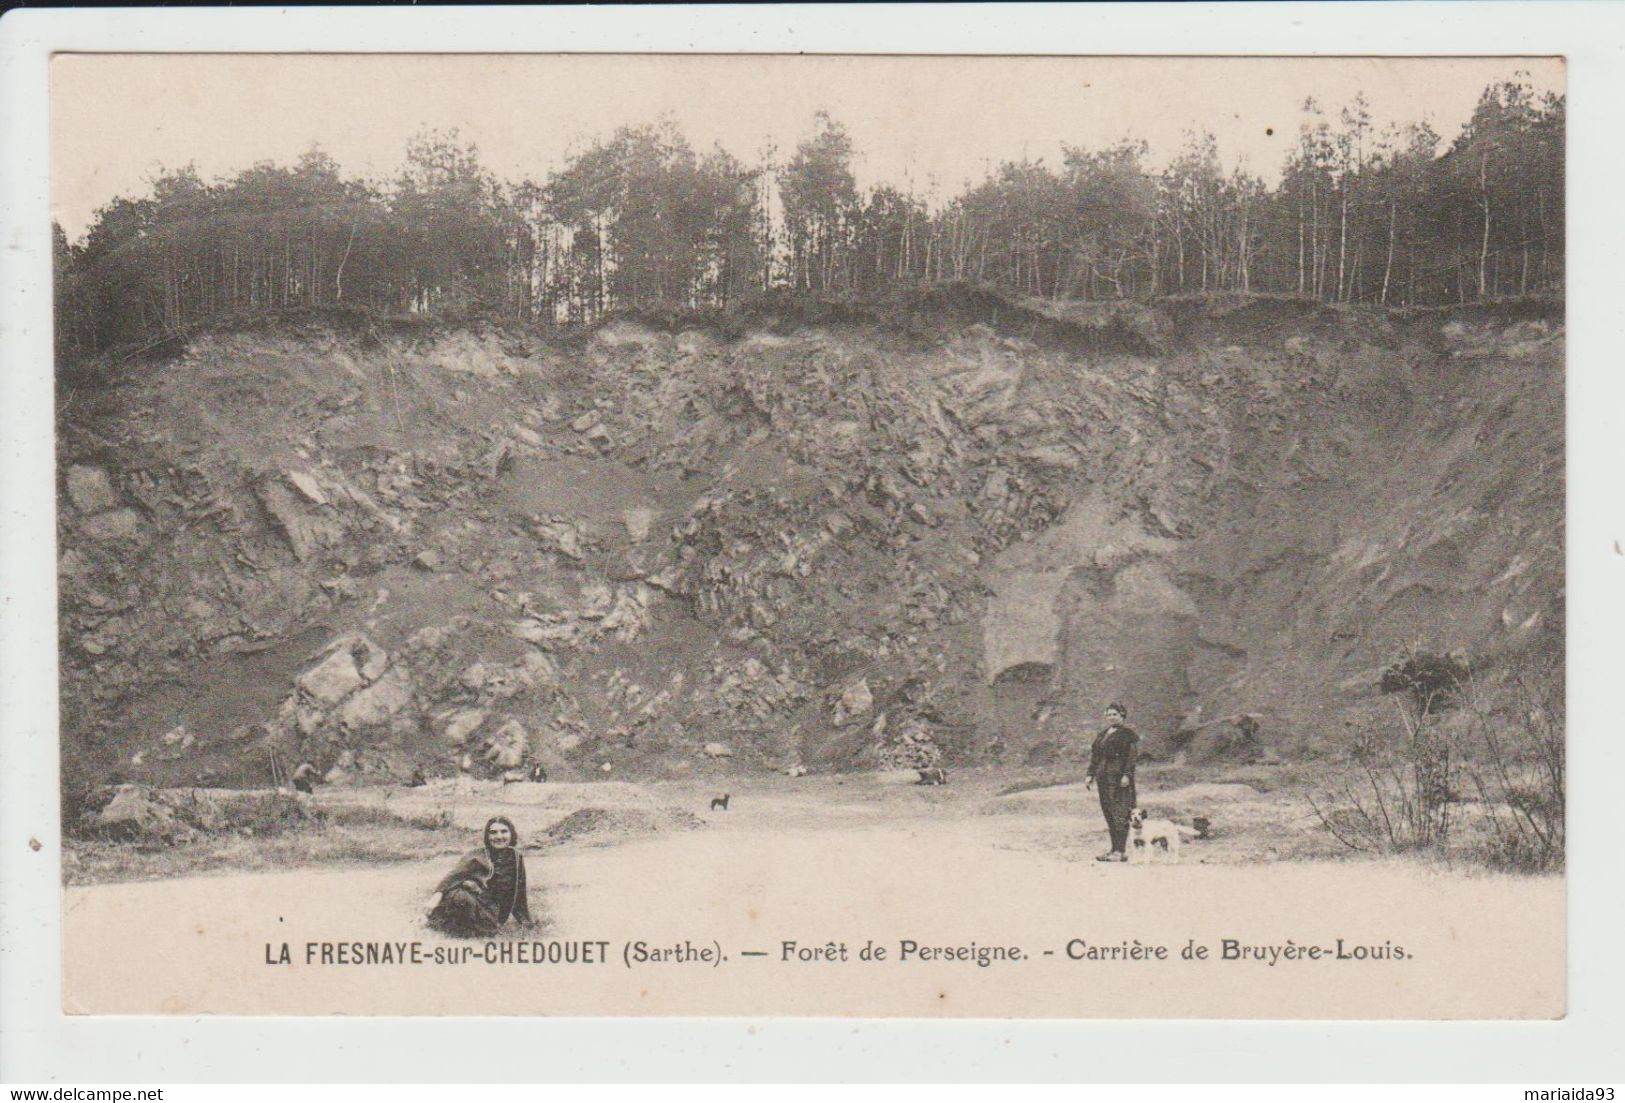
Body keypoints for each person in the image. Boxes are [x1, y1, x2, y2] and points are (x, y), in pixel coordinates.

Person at [426, 816, 533, 937]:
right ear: (487, 836)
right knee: (459, 896)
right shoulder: (477, 855)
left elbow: (519, 892)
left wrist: (525, 921)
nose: (499, 837)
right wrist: (436, 897)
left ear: (511, 834)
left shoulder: (516, 857)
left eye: (504, 831)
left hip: (493, 912)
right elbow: (453, 876)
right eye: (493, 833)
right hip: (473, 902)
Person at [1085, 702, 1139, 862]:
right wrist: (1090, 774)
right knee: (1108, 811)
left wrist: (1127, 775)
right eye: (1109, 714)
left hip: (1119, 777)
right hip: (1104, 776)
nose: (1111, 717)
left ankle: (1120, 851)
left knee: (1120, 812)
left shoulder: (1128, 735)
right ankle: (1113, 849)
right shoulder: (1103, 734)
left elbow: (1132, 758)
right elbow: (1095, 756)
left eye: (1115, 714)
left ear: (1122, 715)